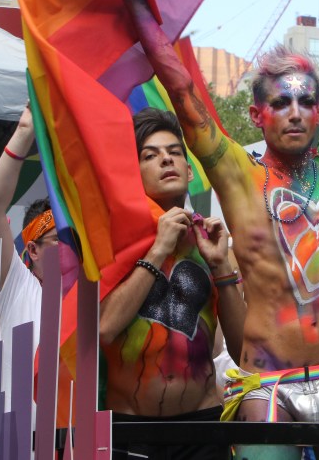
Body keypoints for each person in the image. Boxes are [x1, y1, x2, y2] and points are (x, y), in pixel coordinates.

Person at [99, 0, 319, 459]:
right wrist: (137, 3)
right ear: (257, 114)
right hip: (268, 384)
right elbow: (182, 93)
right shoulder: (236, 171)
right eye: (280, 102)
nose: (295, 113)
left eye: (305, 101)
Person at [99, 108, 245, 460]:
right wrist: (158, 248)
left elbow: (242, 353)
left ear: (190, 170)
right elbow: (103, 329)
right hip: (129, 433)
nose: (166, 159)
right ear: (134, 176)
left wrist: (222, 267)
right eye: (151, 155)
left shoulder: (212, 242)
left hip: (202, 430)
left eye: (174, 152)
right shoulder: (112, 243)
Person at [0, 106, 58, 430]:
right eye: (58, 240)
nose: (70, 251)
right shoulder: (17, 288)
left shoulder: (91, 300)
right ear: (33, 249)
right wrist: (25, 130)